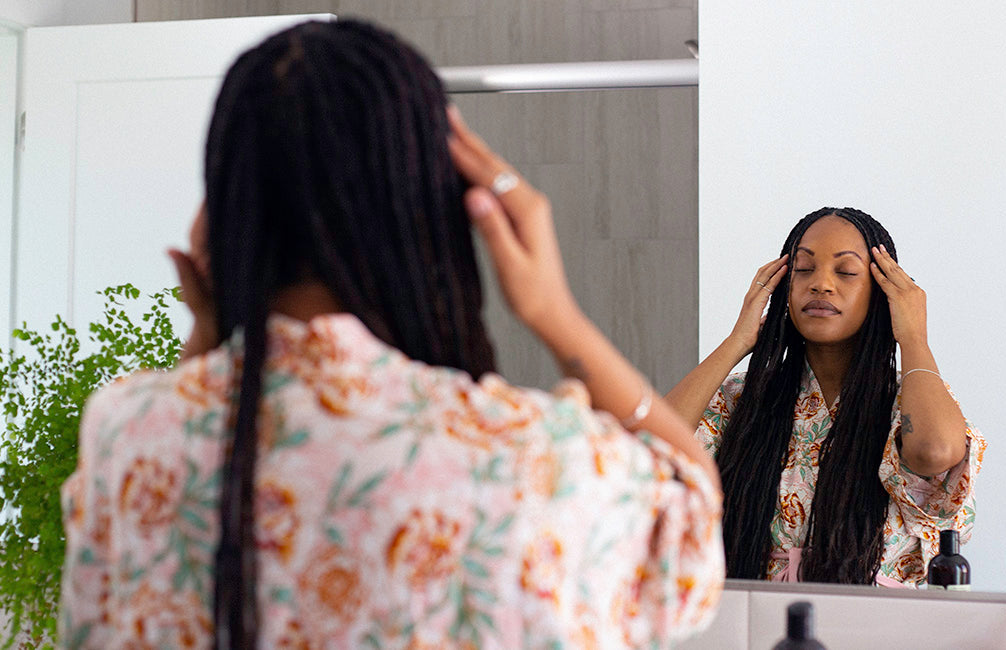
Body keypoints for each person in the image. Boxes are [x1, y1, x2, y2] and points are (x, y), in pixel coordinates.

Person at [58, 19, 724, 648]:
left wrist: (208, 333)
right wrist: (554, 313)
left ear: (224, 208)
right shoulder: (533, 457)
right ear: (427, 207)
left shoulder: (126, 434)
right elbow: (691, 533)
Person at [667, 207, 984, 587]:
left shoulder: (907, 400)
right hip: (754, 620)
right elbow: (649, 447)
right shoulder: (743, 397)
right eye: (803, 270)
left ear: (883, 292)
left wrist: (914, 337)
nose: (820, 284)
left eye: (846, 272)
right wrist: (737, 342)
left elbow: (934, 452)